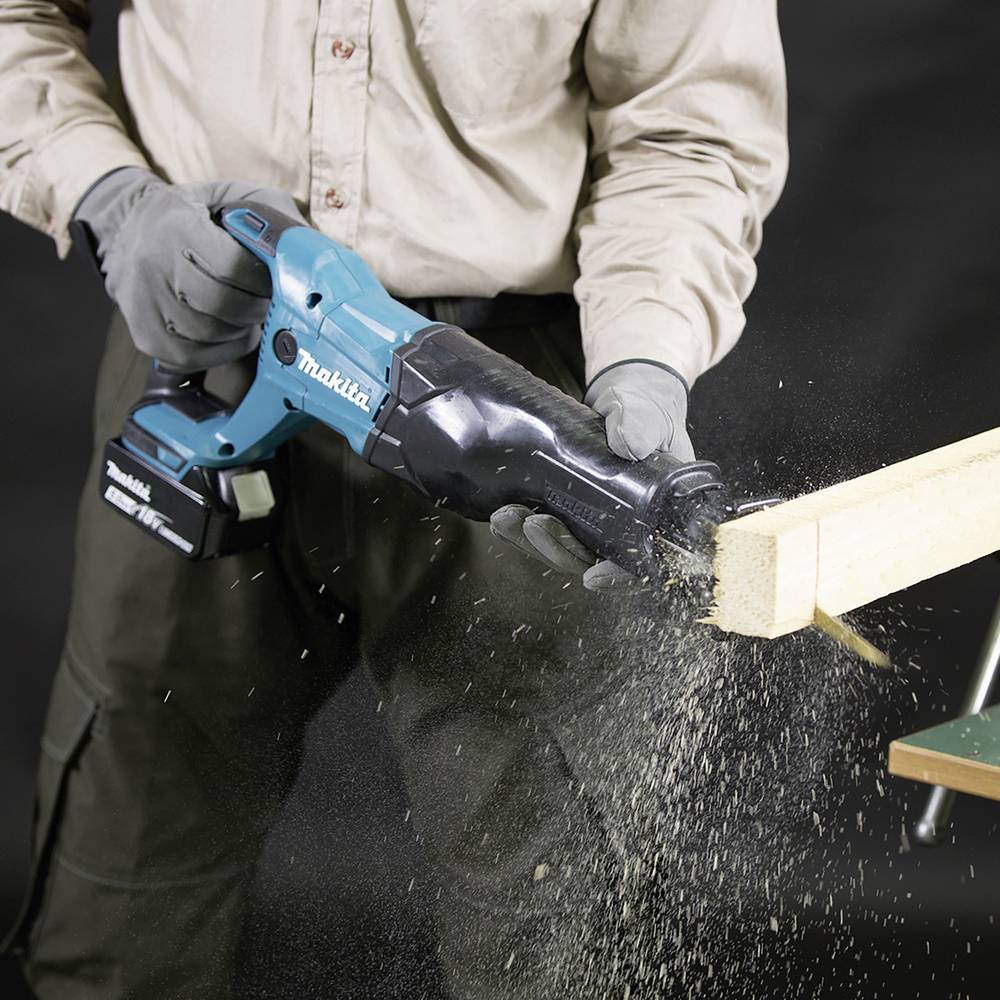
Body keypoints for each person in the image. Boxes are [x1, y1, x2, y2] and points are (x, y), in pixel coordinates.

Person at [0, 2, 787, 997]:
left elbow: (689, 121)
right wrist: (109, 195)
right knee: (120, 904)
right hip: (200, 343)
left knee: (544, 940)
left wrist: (644, 358)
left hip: (508, 380)